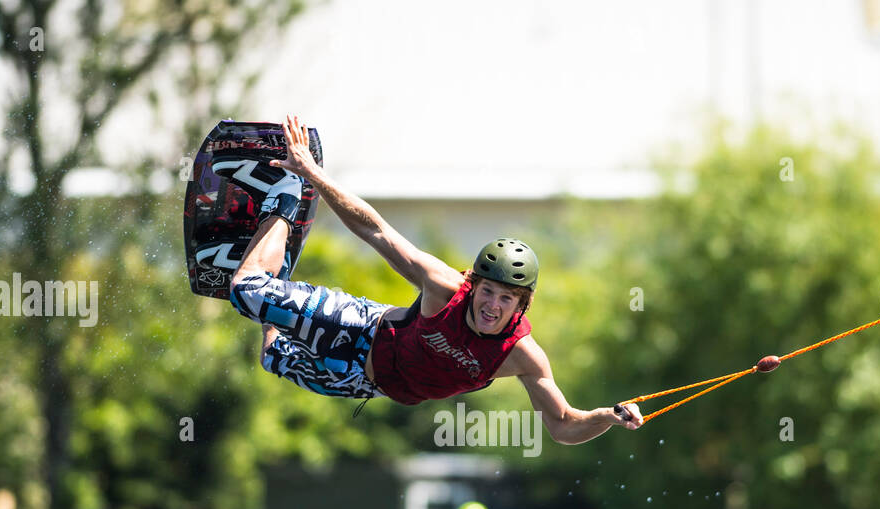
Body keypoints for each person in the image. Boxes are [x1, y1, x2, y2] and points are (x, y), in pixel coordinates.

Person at [215, 114, 644, 441]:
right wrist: (313, 174)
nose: (492, 305)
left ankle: (275, 275)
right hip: (362, 327)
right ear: (474, 285)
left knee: (273, 354)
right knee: (244, 292)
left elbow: (563, 425)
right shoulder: (444, 288)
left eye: (505, 299)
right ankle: (287, 199)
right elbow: (375, 230)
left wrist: (608, 415)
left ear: (521, 305)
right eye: (487, 290)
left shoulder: (521, 357)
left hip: (363, 381)